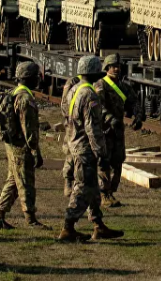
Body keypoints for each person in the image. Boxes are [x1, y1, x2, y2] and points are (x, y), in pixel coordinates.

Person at [58, 55, 124, 242]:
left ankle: (98, 225)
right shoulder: (89, 95)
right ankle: (68, 227)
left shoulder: (74, 89)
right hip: (85, 147)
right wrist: (101, 153)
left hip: (74, 142)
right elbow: (93, 128)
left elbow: (65, 112)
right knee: (83, 187)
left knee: (93, 188)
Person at [0, 61, 47, 230]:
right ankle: (31, 219)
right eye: (37, 76)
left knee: (13, 181)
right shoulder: (25, 98)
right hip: (21, 146)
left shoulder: (14, 92)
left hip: (12, 143)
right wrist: (35, 150)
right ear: (30, 78)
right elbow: (28, 128)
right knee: (26, 182)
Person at [94, 52, 142, 208]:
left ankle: (111, 191)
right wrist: (109, 119)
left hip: (118, 131)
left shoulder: (123, 87)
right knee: (104, 161)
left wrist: (138, 116)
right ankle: (103, 194)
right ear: (107, 68)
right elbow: (98, 107)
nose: (116, 69)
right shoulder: (101, 85)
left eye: (118, 66)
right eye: (113, 66)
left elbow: (134, 101)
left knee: (118, 161)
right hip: (105, 131)